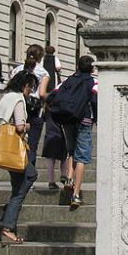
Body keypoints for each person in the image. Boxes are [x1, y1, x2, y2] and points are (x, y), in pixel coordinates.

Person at [0, 71, 39, 244]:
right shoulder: (18, 100)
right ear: (25, 86)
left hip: (5, 148)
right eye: (30, 87)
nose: (30, 92)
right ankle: (8, 227)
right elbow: (19, 126)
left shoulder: (6, 97)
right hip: (15, 149)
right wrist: (28, 125)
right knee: (29, 177)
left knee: (17, 185)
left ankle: (9, 214)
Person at [53, 55, 97, 211]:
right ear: (92, 68)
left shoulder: (67, 81)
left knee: (71, 151)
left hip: (67, 120)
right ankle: (76, 194)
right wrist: (96, 119)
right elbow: (94, 101)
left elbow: (54, 94)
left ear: (77, 66)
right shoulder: (93, 82)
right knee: (82, 157)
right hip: (84, 120)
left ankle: (69, 179)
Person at [24, 44, 51, 165]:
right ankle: (29, 176)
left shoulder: (17, 69)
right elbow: (42, 93)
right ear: (41, 57)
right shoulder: (43, 73)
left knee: (19, 143)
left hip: (19, 107)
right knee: (32, 145)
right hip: (35, 110)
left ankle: (17, 176)